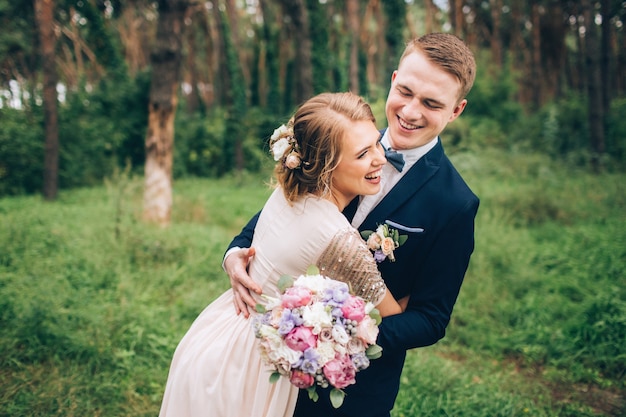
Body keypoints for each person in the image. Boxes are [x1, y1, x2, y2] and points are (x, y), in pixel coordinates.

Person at [224, 33, 479, 417]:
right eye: (406, 92)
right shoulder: (339, 139)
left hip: (355, 386)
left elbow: (430, 319)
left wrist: (337, 337)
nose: (410, 111)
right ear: (393, 80)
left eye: (431, 103)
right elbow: (280, 211)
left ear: (456, 110)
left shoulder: (455, 204)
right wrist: (234, 252)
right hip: (267, 362)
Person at [158, 92, 409, 417]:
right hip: (253, 369)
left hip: (217, 338)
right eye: (363, 154)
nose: (380, 158)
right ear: (326, 167)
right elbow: (390, 315)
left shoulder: (287, 193)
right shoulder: (339, 238)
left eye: (376, 143)